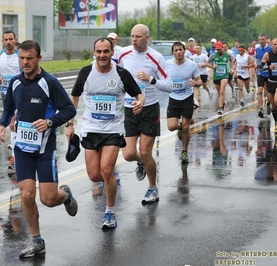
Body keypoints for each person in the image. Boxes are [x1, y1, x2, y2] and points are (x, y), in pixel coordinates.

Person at [0, 40, 78, 258]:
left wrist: (50, 122)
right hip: (22, 146)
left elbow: (69, 110)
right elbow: (8, 109)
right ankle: (37, 241)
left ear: (39, 58)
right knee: (27, 193)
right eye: (21, 58)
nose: (25, 62)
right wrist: (1, 125)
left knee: (48, 199)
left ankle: (65, 196)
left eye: (29, 58)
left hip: (44, 148)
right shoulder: (14, 82)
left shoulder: (49, 82)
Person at [66, 37, 144, 229]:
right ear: (94, 53)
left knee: (107, 170)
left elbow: (138, 94)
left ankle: (110, 212)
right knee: (94, 175)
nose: (102, 55)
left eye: (106, 51)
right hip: (90, 129)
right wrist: (70, 124)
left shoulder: (121, 74)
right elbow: (74, 96)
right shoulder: (86, 72)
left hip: (113, 129)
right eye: (98, 51)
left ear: (112, 52)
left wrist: (140, 102)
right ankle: (109, 183)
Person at [118, 24, 172, 204]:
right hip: (130, 108)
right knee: (128, 154)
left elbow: (169, 86)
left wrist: (151, 79)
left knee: (145, 151)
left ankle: (152, 188)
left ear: (147, 38)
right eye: (132, 36)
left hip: (149, 108)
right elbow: (116, 77)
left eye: (138, 37)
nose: (134, 40)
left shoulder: (156, 57)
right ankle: (142, 163)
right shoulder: (124, 55)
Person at [163, 42, 201, 163]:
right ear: (173, 52)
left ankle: (184, 152)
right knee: (171, 126)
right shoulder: (167, 64)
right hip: (173, 98)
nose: (178, 52)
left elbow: (199, 80)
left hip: (187, 98)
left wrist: (196, 84)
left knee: (186, 127)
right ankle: (180, 128)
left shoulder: (192, 65)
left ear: (184, 51)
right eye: (176, 50)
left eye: (180, 50)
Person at [0, 30, 21, 103]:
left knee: (19, 114)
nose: (8, 42)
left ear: (15, 40)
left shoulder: (21, 56)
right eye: (6, 40)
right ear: (3, 41)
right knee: (7, 113)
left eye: (11, 39)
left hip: (19, 93)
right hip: (5, 92)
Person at [206, 41, 235, 115]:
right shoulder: (213, 55)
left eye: (220, 49)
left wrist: (231, 69)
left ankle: (220, 108)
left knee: (222, 91)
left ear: (222, 47)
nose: (218, 51)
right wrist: (212, 66)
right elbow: (207, 63)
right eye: (217, 49)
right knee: (219, 92)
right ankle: (223, 102)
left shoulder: (227, 55)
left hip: (225, 75)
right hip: (217, 75)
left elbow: (232, 60)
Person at [255, 34, 273, 118]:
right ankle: (261, 109)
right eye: (260, 39)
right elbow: (257, 59)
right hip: (260, 73)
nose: (261, 41)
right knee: (259, 90)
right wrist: (256, 65)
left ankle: (269, 103)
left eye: (263, 39)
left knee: (268, 92)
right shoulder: (257, 49)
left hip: (268, 72)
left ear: (266, 40)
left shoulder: (270, 49)